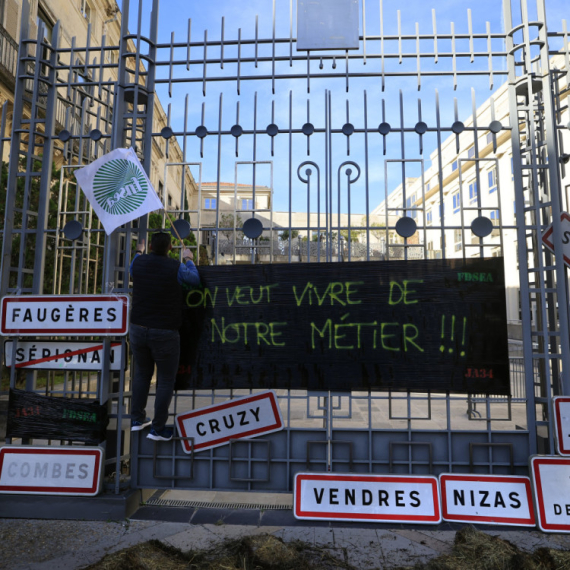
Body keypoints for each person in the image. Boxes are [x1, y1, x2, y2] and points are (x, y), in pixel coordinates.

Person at [129, 231, 201, 441]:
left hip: (137, 328)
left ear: (150, 246)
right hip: (165, 331)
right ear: (171, 248)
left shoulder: (139, 263)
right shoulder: (176, 267)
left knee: (142, 374)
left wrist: (137, 251)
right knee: (166, 380)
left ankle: (136, 419)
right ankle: (158, 428)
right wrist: (188, 259)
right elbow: (194, 280)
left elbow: (133, 267)